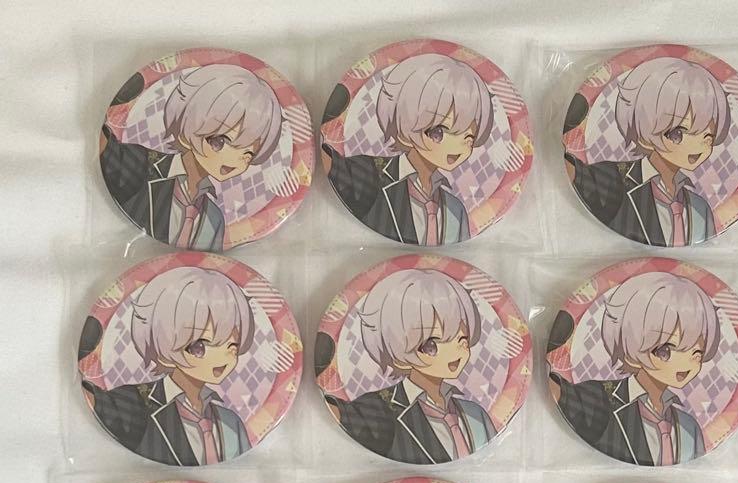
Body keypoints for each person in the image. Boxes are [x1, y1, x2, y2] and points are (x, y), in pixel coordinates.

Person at [81, 265, 256, 465]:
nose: (222, 357)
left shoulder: (231, 421)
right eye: (201, 345)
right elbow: (98, 402)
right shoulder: (133, 404)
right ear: (164, 345)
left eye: (232, 346)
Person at [100, 64, 283, 250]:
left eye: (248, 154)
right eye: (222, 141)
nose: (235, 159)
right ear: (186, 132)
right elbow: (107, 150)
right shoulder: (141, 164)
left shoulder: (214, 219)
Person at [322, 269, 494, 462]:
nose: (454, 352)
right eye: (432, 344)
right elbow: (343, 414)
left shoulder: (476, 414)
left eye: (462, 340)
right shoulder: (379, 410)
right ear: (397, 351)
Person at [550, 272, 721, 465]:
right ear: (631, 349)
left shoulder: (689, 427)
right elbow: (560, 393)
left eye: (696, 353)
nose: (685, 364)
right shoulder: (597, 399)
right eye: (666, 350)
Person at [322, 53, 494, 244]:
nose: (457, 146)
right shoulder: (370, 174)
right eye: (440, 132)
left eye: (468, 138)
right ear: (405, 128)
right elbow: (331, 165)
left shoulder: (456, 209)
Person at [564, 57, 729, 245]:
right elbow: (576, 175)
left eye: (708, 137)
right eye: (679, 133)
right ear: (644, 134)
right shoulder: (613, 180)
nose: (697, 146)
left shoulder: (700, 208)